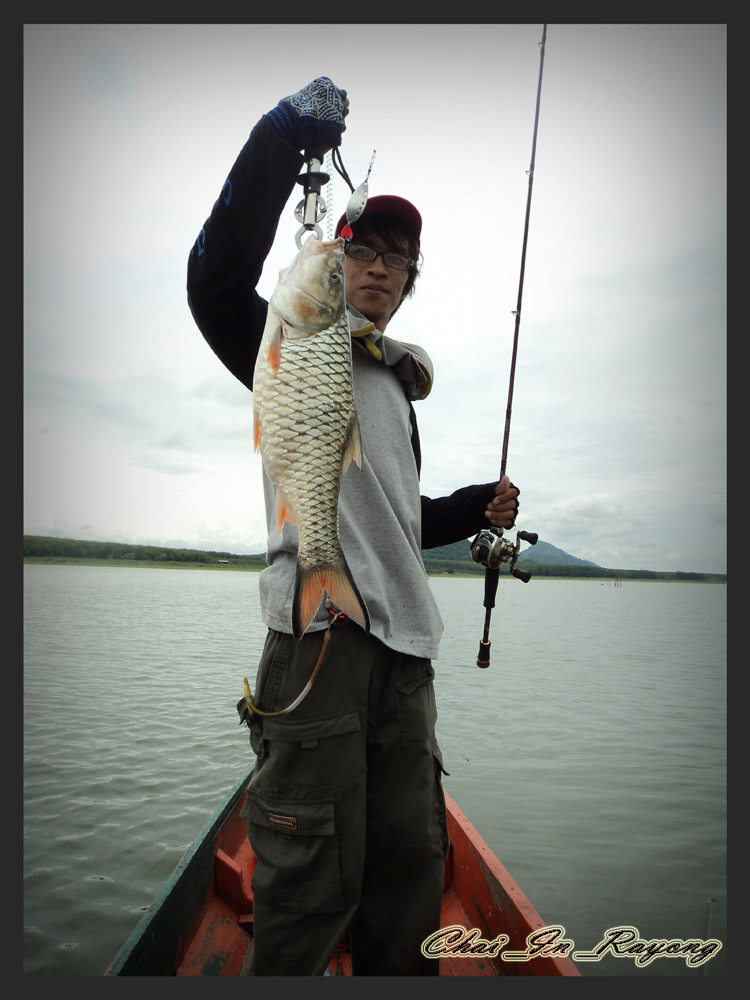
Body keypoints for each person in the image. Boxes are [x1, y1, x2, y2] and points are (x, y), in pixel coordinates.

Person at [186, 77, 520, 976]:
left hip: (408, 659)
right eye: (361, 249)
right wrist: (275, 138)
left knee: (411, 867)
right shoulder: (290, 343)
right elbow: (212, 280)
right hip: (323, 641)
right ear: (333, 261)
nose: (377, 265)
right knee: (306, 881)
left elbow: (397, 522)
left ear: (411, 280)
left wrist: (470, 505)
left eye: (396, 257)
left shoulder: (397, 384)